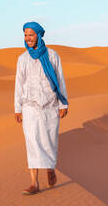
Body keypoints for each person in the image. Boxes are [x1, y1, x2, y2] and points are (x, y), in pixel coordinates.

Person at [14, 21, 68, 195]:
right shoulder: (22, 59)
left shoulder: (52, 55)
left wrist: (63, 103)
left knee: (49, 141)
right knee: (32, 143)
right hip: (30, 107)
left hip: (50, 106)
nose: (28, 38)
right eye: (25, 35)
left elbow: (60, 80)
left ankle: (50, 168)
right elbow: (19, 85)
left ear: (38, 35)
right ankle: (34, 183)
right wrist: (18, 108)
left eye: (31, 34)